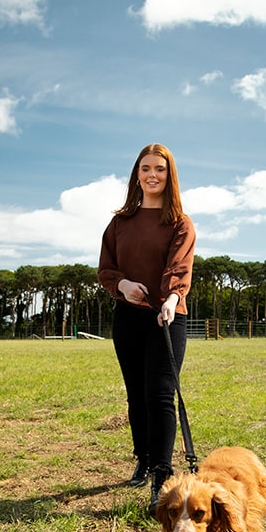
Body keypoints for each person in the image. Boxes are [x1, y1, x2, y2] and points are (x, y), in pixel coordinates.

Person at [97, 143, 196, 510]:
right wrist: (122, 285)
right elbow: (106, 269)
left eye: (160, 169)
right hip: (128, 316)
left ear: (170, 176)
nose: (152, 175)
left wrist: (171, 299)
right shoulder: (119, 222)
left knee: (159, 394)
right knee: (136, 395)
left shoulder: (180, 223)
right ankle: (142, 456)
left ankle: (162, 475)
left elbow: (179, 267)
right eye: (145, 168)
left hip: (167, 315)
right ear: (136, 175)